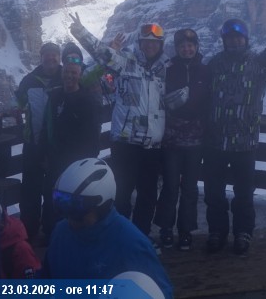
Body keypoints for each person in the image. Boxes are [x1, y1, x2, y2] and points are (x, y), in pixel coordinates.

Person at [70, 14, 168, 236]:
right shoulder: (126, 62)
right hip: (126, 143)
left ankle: (141, 237)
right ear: (140, 43)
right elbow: (102, 53)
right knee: (122, 192)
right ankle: (120, 237)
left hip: (152, 146)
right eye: (146, 42)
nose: (150, 46)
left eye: (155, 43)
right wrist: (81, 31)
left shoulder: (165, 70)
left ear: (161, 45)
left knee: (148, 195)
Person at [203, 18, 266, 256]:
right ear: (224, 41)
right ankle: (217, 231)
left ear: (245, 39)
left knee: (244, 193)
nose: (234, 42)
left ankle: (243, 232)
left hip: (245, 142)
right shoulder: (214, 64)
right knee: (214, 192)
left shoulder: (258, 63)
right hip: (215, 141)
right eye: (230, 38)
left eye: (238, 38)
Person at [43, 158, 173, 298]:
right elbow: (45, 278)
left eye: (76, 209)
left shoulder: (131, 244)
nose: (70, 218)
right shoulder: (61, 232)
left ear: (101, 206)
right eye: (62, 205)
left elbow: (160, 292)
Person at [153, 28, 210, 251]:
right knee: (170, 186)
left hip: (196, 141)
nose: (187, 49)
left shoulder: (205, 71)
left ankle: (185, 231)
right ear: (177, 49)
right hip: (172, 141)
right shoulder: (167, 69)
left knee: (189, 188)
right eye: (182, 46)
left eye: (190, 45)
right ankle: (166, 229)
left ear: (196, 47)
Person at [42, 53, 103, 238]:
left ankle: (73, 235)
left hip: (77, 162)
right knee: (53, 197)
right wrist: (45, 153)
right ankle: (52, 235)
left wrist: (88, 161)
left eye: (74, 73)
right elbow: (47, 125)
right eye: (67, 72)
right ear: (62, 73)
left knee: (74, 198)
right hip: (55, 158)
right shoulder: (55, 96)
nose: (69, 76)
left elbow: (93, 134)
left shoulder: (87, 100)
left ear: (80, 75)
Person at [15, 42, 63, 240]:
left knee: (54, 189)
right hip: (33, 145)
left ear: (59, 57)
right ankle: (29, 231)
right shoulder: (29, 81)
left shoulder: (66, 77)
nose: (51, 58)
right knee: (30, 190)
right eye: (47, 55)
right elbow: (19, 103)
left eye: (54, 55)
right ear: (41, 58)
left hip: (57, 146)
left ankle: (52, 231)